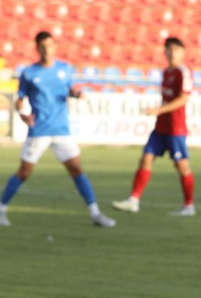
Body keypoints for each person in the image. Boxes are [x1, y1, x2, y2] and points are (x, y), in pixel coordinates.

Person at [0, 32, 115, 229]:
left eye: (50, 45)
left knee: (76, 169)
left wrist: (76, 93)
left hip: (61, 129)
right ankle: (1, 209)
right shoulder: (29, 73)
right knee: (24, 172)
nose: (47, 49)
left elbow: (69, 89)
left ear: (54, 47)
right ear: (37, 48)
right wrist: (22, 114)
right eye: (43, 46)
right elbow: (20, 98)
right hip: (39, 130)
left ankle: (95, 213)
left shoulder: (64, 69)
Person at [112, 38, 197, 217]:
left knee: (182, 166)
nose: (172, 53)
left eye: (176, 49)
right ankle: (133, 200)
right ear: (165, 52)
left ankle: (189, 206)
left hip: (176, 128)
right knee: (146, 159)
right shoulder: (166, 72)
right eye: (169, 49)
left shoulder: (184, 72)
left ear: (183, 52)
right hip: (161, 127)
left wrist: (158, 110)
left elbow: (183, 99)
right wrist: (160, 113)